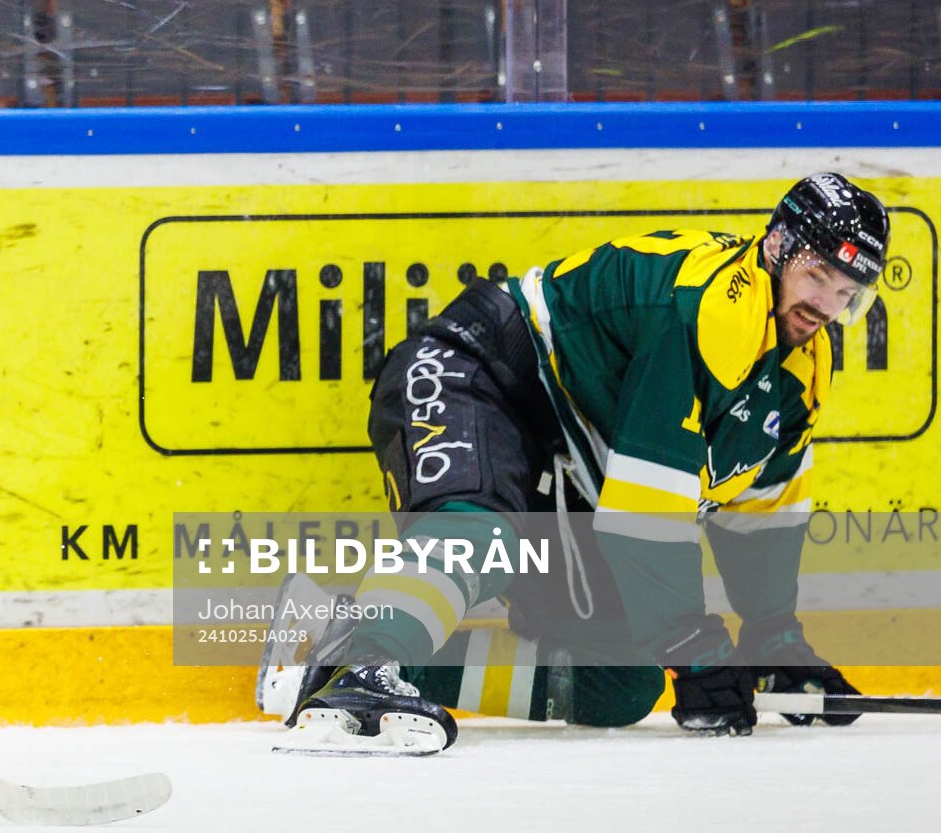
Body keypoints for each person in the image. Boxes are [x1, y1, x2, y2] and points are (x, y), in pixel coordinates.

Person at [259, 174, 885, 754]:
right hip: (481, 370)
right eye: (816, 276)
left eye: (846, 293)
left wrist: (773, 638)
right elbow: (645, 512)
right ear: (776, 247)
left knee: (617, 678)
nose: (825, 306)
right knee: (478, 534)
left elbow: (761, 510)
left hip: (567, 454)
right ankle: (365, 669)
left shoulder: (802, 367)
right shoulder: (711, 309)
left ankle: (333, 644)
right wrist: (690, 640)